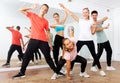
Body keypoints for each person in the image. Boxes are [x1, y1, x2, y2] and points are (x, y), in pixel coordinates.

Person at [12, 4, 61, 79]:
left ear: (46, 12)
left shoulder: (46, 21)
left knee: (48, 58)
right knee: (26, 56)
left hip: (43, 41)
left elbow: (47, 32)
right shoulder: (33, 15)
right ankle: (22, 72)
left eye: (46, 10)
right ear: (40, 8)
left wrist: (50, 44)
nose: (44, 10)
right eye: (43, 8)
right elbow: (20, 10)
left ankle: (56, 71)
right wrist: (31, 7)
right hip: (33, 40)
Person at [59, 3, 106, 76]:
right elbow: (71, 14)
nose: (84, 13)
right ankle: (70, 69)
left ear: (88, 13)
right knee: (73, 54)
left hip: (89, 40)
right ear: (82, 13)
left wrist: (94, 26)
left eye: (86, 12)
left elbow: (93, 33)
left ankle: (100, 70)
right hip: (80, 40)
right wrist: (64, 7)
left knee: (95, 56)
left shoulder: (91, 21)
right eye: (83, 12)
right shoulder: (80, 20)